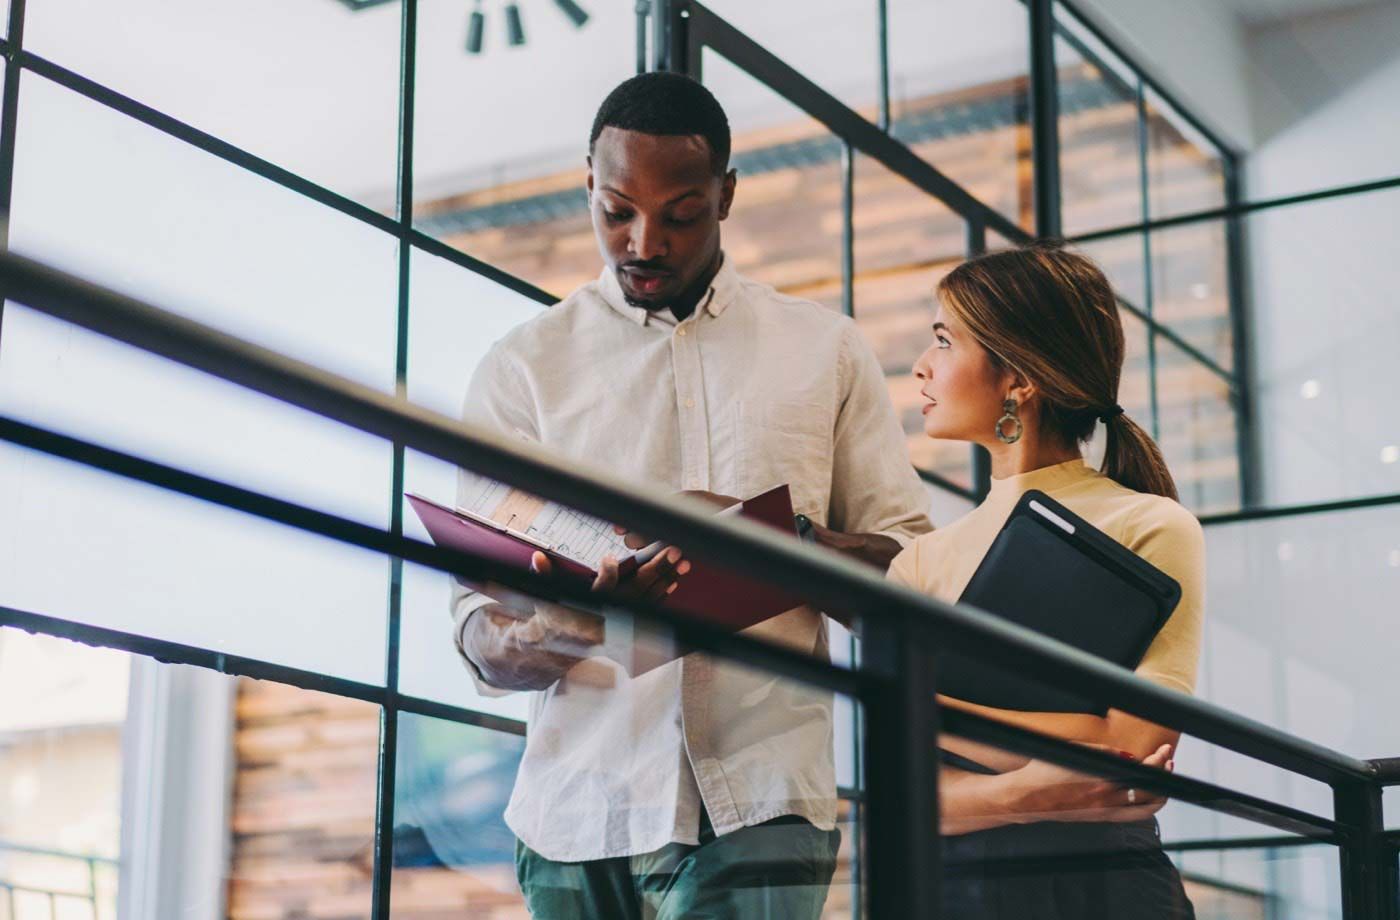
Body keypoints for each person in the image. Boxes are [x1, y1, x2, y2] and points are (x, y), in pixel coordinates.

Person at [450, 71, 932, 919]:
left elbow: (907, 578)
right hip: (573, 813)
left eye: (681, 214)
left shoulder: (824, 351)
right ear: (587, 188)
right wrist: (575, 621)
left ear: (726, 197)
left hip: (762, 799)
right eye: (616, 211)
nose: (645, 242)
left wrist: (782, 547)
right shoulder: (521, 370)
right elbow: (481, 640)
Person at [887, 243, 1204, 918]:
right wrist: (1030, 788)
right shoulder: (918, 562)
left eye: (944, 340)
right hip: (951, 893)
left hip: (1109, 889)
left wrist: (933, 717)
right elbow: (899, 793)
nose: (921, 365)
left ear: (1019, 381)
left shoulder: (1150, 525)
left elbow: (1135, 753)